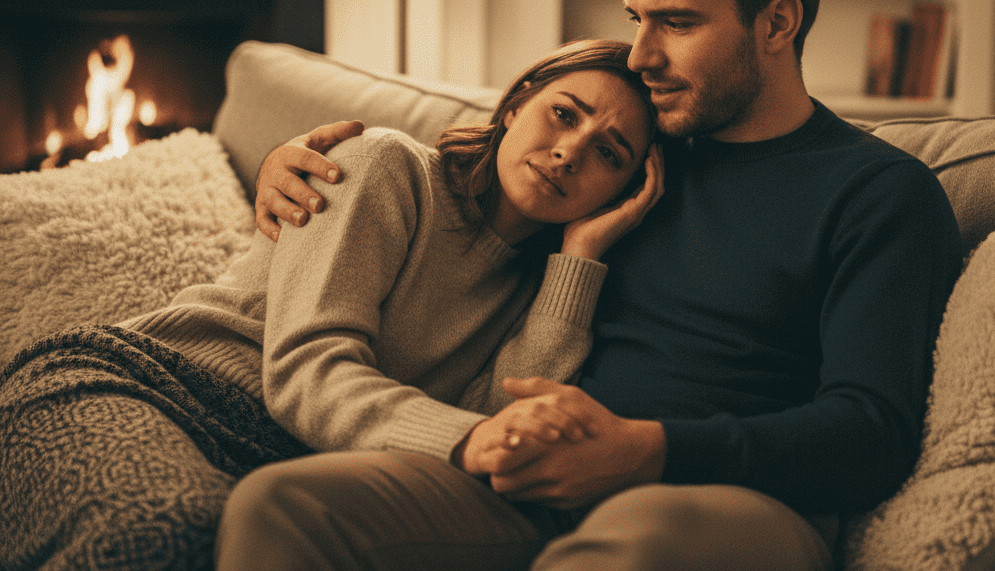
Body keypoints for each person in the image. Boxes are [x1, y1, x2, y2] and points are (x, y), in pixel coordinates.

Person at [234, 0, 966, 571]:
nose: (643, 56)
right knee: (286, 504)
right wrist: (289, 161)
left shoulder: (877, 193)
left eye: (677, 22)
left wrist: (648, 450)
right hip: (536, 475)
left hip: (726, 502)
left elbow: (872, 431)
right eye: (637, 20)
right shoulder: (628, 157)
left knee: (631, 545)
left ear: (777, 21)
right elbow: (468, 186)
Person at [0, 39, 664, 571]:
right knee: (170, 534)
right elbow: (305, 370)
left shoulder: (543, 290)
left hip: (267, 462)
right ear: (517, 103)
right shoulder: (389, 165)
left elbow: (494, 439)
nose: (569, 151)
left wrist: (578, 257)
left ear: (622, 189)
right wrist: (470, 438)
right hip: (136, 384)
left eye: (609, 153)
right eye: (564, 113)